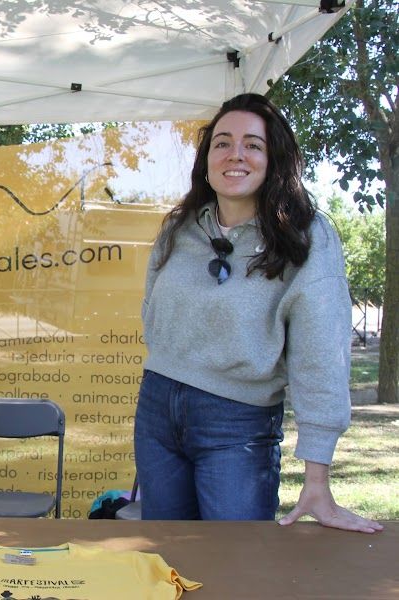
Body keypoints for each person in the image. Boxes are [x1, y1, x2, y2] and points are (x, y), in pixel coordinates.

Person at [135, 93, 382, 533]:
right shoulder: (179, 227)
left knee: (238, 560)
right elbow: (152, 311)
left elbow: (321, 355)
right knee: (166, 554)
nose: (236, 154)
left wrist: (317, 478)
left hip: (237, 422)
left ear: (275, 159)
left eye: (252, 144)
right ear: (206, 160)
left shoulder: (307, 237)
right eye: (222, 143)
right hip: (156, 409)